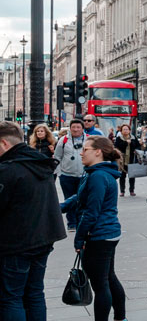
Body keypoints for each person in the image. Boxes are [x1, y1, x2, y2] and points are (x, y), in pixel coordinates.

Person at [0, 120, 67, 321]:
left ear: (4, 144)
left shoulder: (8, 169)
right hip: (44, 237)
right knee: (35, 293)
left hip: (16, 243)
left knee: (10, 297)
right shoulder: (38, 162)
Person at [59, 135, 126, 321]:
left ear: (98, 152)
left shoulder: (98, 176)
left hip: (99, 235)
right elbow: (81, 197)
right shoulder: (95, 173)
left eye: (85, 149)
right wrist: (61, 207)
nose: (81, 153)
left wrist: (79, 238)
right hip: (108, 233)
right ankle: (121, 317)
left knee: (100, 285)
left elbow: (91, 212)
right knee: (109, 278)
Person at [54, 118, 89, 230]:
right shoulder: (63, 140)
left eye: (78, 127)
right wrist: (59, 172)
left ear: (82, 128)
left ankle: (80, 221)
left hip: (83, 175)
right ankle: (71, 223)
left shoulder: (89, 139)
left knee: (81, 199)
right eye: (73, 127)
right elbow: (57, 157)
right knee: (69, 198)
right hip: (66, 175)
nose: (75, 129)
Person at [112, 123, 141, 197]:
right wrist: (126, 143)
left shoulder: (133, 138)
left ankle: (132, 190)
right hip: (122, 160)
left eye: (127, 129)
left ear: (129, 130)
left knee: (132, 176)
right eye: (124, 129)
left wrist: (135, 149)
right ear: (121, 131)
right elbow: (117, 147)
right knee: (122, 176)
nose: (125, 131)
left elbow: (138, 146)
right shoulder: (119, 138)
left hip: (131, 159)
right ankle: (122, 191)